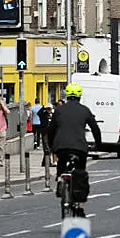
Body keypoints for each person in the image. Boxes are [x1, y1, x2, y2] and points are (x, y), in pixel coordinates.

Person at [45, 83, 102, 217]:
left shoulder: (59, 110)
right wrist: (98, 144)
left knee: (62, 161)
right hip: (79, 147)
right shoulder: (85, 110)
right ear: (79, 96)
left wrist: (52, 145)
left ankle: (60, 179)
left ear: (67, 96)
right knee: (80, 173)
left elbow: (51, 129)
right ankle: (80, 206)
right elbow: (95, 128)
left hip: (61, 146)